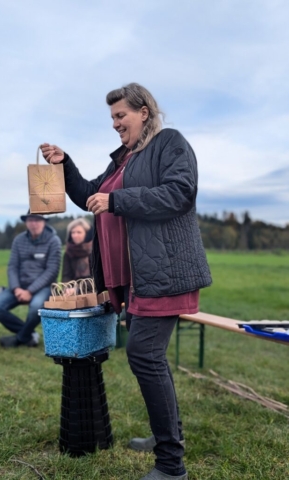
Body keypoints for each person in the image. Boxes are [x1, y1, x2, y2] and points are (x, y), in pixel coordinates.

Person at [41, 83, 212, 480]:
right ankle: (167, 433)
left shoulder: (169, 143)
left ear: (144, 112)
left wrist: (117, 201)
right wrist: (65, 164)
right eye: (113, 118)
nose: (116, 123)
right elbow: (89, 196)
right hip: (134, 281)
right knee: (151, 359)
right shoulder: (123, 161)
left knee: (143, 355)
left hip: (164, 272)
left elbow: (180, 193)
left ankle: (171, 465)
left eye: (122, 115)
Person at [0, 211, 61, 348]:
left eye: (38, 220)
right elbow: (12, 266)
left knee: (36, 308)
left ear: (44, 222)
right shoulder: (18, 240)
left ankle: (20, 338)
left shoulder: (53, 241)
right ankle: (29, 334)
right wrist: (16, 288)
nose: (34, 223)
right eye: (31, 220)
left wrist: (30, 291)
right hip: (19, 287)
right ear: (26, 222)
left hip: (43, 288)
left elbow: (52, 271)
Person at [62, 217, 93, 283]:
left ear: (86, 234)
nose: (75, 235)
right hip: (73, 288)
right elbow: (66, 275)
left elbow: (97, 277)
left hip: (93, 287)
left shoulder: (94, 251)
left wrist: (78, 288)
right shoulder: (69, 252)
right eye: (73, 232)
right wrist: (68, 287)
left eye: (79, 232)